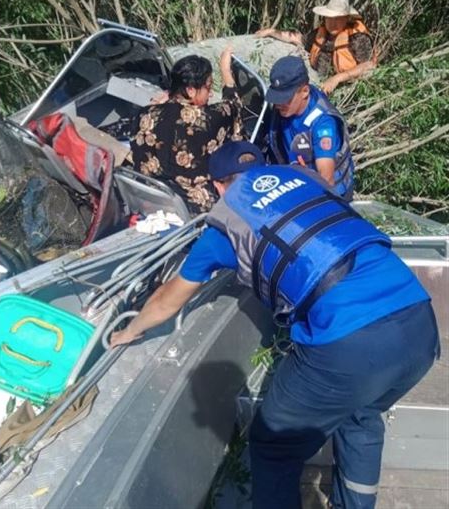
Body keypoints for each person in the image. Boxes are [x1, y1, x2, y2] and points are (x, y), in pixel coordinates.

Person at [110, 141, 439, 509]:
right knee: (361, 413)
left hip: (348, 344)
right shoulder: (304, 179)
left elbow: (169, 299)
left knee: (273, 444)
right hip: (420, 323)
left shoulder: (222, 228)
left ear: (219, 186)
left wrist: (129, 330)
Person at [130, 46, 243, 214]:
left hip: (152, 203)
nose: (210, 94)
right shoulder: (205, 120)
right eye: (208, 87)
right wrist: (225, 70)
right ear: (190, 90)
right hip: (194, 210)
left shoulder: (143, 114)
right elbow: (234, 105)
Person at [265, 55, 355, 200]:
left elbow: (326, 180)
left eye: (285, 98)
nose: (278, 104)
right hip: (298, 176)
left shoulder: (323, 125)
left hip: (330, 195)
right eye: (276, 98)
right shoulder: (290, 106)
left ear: (305, 91)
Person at [255, 0, 376, 94]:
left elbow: (369, 65)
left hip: (346, 88)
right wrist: (272, 32)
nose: (333, 23)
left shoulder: (357, 38)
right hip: (319, 83)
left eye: (338, 18)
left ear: (346, 19)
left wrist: (337, 78)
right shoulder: (321, 33)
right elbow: (297, 38)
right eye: (330, 18)